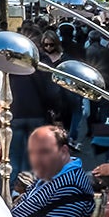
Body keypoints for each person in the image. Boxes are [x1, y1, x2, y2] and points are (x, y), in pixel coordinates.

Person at [6, 26, 69, 187]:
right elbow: (51, 91)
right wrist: (56, 111)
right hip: (37, 114)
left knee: (13, 158)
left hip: (15, 113)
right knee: (33, 159)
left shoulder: (12, 59)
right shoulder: (41, 60)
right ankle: (29, 195)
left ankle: (12, 193)